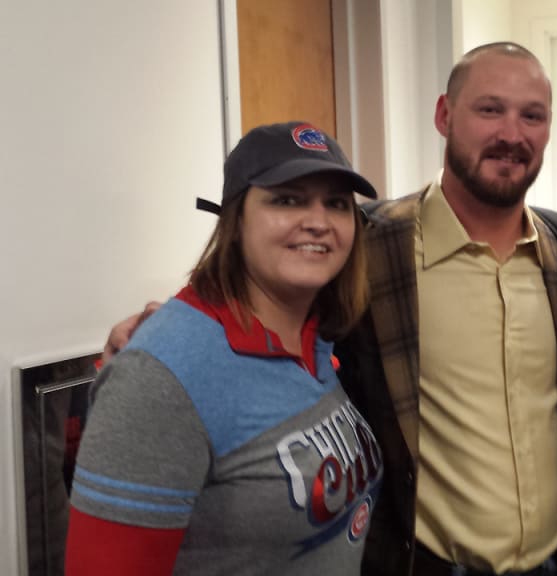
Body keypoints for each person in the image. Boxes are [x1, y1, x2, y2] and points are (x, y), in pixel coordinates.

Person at [102, 43, 557, 576]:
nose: (511, 134)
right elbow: (260, 286)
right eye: (490, 109)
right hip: (422, 563)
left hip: (555, 560)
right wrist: (160, 328)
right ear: (444, 116)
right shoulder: (372, 247)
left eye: (532, 115)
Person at [66, 121, 383, 575]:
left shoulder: (317, 337)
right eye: (287, 199)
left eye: (336, 203)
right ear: (235, 222)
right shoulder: (158, 377)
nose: (318, 221)